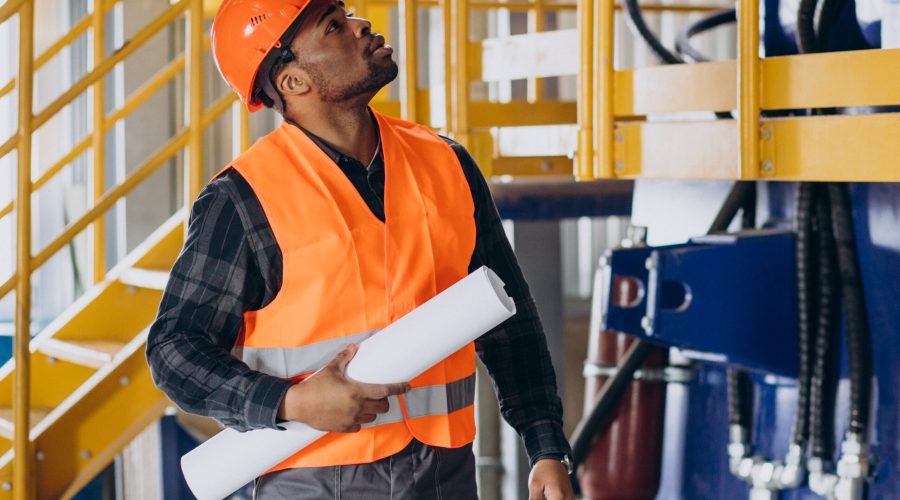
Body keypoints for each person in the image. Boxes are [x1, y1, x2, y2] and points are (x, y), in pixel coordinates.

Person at [146, 0, 573, 497]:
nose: (360, 24)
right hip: (311, 480)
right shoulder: (244, 199)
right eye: (333, 26)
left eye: (345, 13)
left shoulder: (447, 163)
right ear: (293, 83)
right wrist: (291, 402)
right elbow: (174, 350)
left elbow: (510, 321)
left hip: (445, 474)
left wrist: (546, 447)